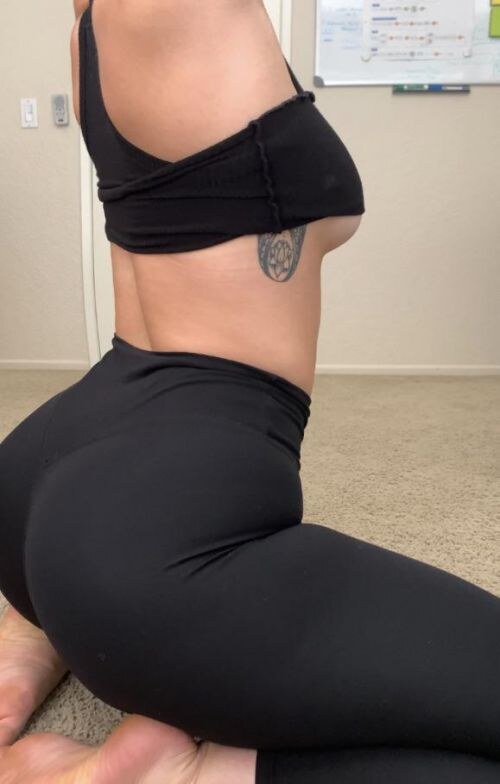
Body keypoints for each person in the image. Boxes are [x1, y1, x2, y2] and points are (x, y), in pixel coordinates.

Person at [0, 1, 498, 782]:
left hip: (55, 475)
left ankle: (37, 632)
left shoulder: (99, 18)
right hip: (141, 549)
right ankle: (186, 776)